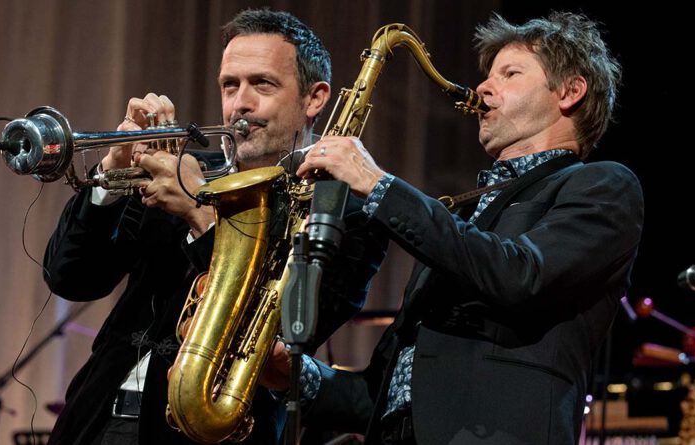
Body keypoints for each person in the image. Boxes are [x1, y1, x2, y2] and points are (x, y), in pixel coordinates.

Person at [263, 11, 644, 445]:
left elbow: (521, 274)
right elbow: (382, 395)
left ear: (570, 92)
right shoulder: (463, 219)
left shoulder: (602, 185)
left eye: (510, 73)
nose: (483, 86)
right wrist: (297, 375)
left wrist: (378, 185)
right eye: (488, 75)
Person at [43, 9, 385, 445]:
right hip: (92, 421)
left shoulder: (347, 214)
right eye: (230, 85)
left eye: (262, 84)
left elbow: (275, 338)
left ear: (315, 98)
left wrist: (198, 213)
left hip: (209, 431)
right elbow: (70, 276)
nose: (240, 102)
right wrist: (111, 175)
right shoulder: (190, 169)